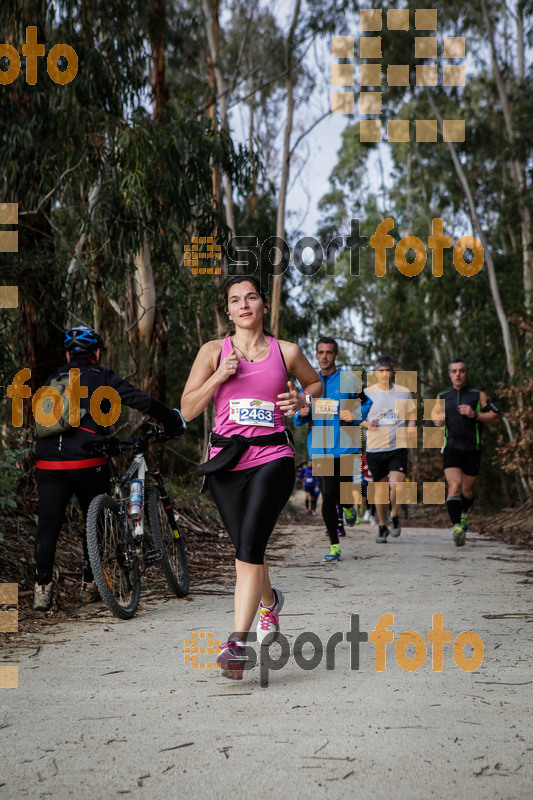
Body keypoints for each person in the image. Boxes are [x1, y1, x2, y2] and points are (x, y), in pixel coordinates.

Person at [180, 276, 321, 680]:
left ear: (263, 305)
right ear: (228, 310)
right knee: (248, 546)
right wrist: (218, 377)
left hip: (273, 456)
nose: (244, 305)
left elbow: (314, 385)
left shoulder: (287, 351)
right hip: (225, 462)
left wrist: (302, 400)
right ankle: (269, 601)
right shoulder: (212, 352)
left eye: (251, 298)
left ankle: (236, 645)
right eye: (235, 300)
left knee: (247, 550)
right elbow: (188, 409)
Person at [33, 326, 183, 611]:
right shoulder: (101, 377)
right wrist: (172, 421)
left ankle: (41, 589)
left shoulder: (51, 378)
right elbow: (141, 400)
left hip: (48, 462)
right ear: (97, 353)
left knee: (48, 525)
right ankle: (90, 584)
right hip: (88, 461)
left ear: (67, 354)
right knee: (98, 519)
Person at [294, 336, 371, 562]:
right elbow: (297, 415)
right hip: (319, 448)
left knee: (343, 492)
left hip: (345, 446)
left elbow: (366, 403)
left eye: (329, 352)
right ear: (316, 355)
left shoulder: (348, 379)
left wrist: (355, 414)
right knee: (328, 493)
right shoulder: (308, 382)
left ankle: (348, 507)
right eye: (320, 352)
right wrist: (302, 413)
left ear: (335, 355)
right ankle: (334, 545)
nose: (324, 356)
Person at [432, 358, 498, 546]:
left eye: (461, 370)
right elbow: (434, 415)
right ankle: (457, 528)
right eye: (454, 371)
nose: (458, 374)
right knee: (454, 486)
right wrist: (437, 421)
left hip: (472, 448)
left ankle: (463, 514)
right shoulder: (443, 394)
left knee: (468, 491)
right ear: (449, 374)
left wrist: (474, 414)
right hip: (451, 446)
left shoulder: (478, 393)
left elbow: (494, 417)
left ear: (466, 373)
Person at [360, 356, 416, 543]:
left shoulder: (404, 392)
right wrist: (368, 424)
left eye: (388, 370)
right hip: (375, 448)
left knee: (397, 485)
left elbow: (411, 414)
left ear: (393, 372)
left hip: (397, 446)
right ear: (376, 373)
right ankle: (382, 525)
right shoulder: (366, 393)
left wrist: (411, 425)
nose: (385, 373)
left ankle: (394, 514)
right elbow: (355, 418)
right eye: (381, 370)